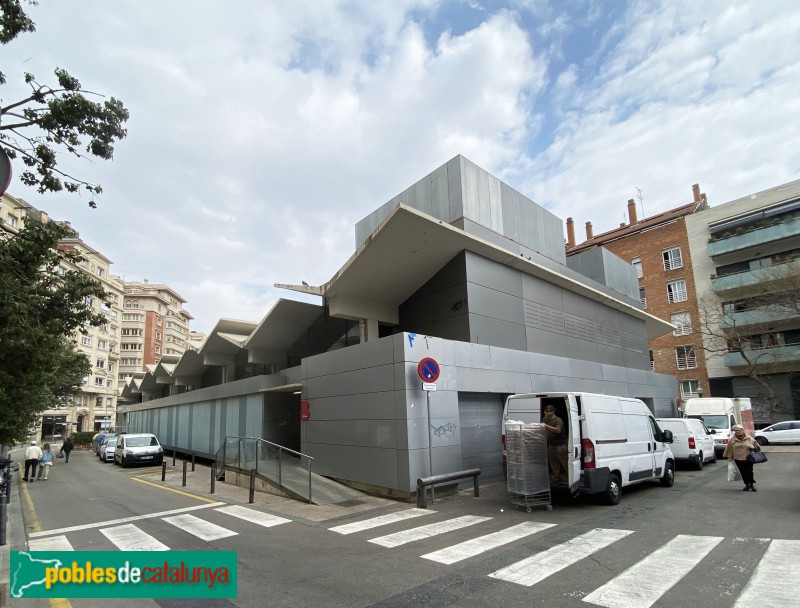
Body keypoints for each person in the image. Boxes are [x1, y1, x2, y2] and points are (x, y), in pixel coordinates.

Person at [723, 424, 761, 491]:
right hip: (738, 459)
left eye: (739, 430)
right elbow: (729, 449)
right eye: (736, 431)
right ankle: (747, 485)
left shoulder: (749, 438)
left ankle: (751, 485)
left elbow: (757, 447)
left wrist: (753, 447)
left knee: (749, 471)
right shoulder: (732, 440)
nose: (738, 432)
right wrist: (730, 457)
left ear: (743, 430)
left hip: (748, 458)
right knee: (743, 472)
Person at [542, 405, 569, 484]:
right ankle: (556, 477)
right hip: (551, 444)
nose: (545, 413)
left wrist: (546, 426)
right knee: (553, 462)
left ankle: (570, 477)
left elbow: (558, 430)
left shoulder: (558, 420)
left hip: (560, 444)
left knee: (564, 462)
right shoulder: (545, 419)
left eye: (547, 412)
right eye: (545, 411)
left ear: (552, 412)